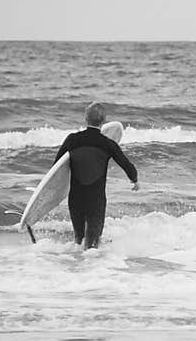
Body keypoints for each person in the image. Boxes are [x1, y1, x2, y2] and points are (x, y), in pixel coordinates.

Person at [54, 102, 139, 249]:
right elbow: (126, 164)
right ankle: (95, 270)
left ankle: (74, 268)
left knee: (79, 241)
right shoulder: (107, 143)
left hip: (76, 199)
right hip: (96, 200)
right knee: (93, 246)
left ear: (85, 118)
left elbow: (57, 166)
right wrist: (134, 180)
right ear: (104, 121)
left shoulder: (72, 139)